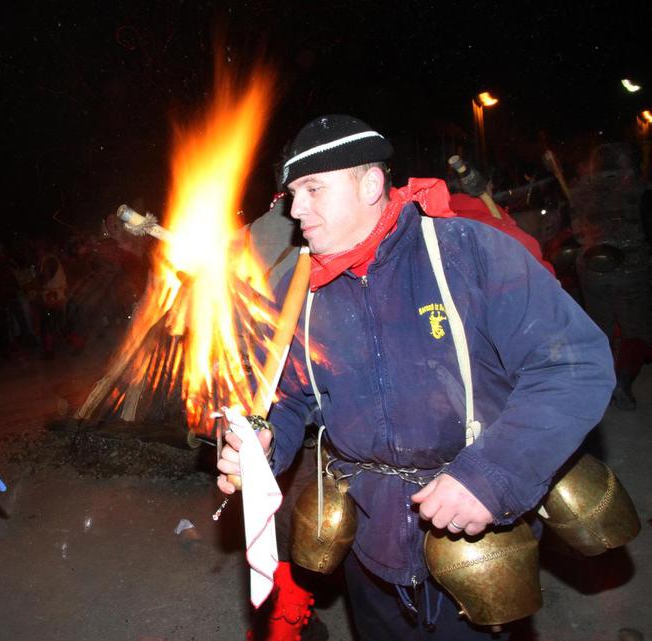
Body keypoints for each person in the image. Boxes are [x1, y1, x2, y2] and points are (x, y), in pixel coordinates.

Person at [218, 115, 614, 640]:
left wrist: (489, 476)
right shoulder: (298, 290)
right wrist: (264, 446)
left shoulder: (468, 252)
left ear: (370, 184)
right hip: (369, 539)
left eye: (313, 188)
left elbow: (571, 364)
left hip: (475, 533)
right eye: (292, 193)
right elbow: (289, 396)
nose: (295, 209)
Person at [569, 142, 652, 410]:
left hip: (592, 267)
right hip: (632, 267)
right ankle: (623, 381)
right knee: (636, 329)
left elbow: (577, 232)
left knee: (599, 328)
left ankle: (596, 383)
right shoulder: (638, 189)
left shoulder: (580, 192)